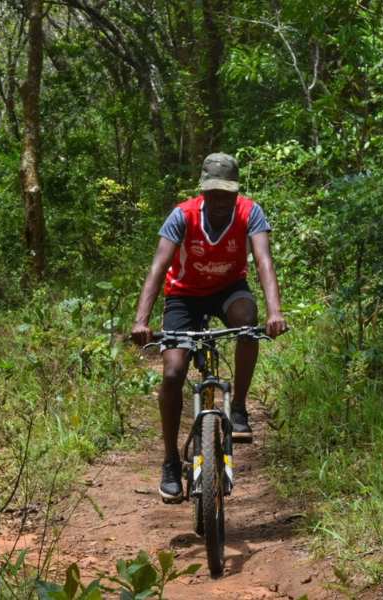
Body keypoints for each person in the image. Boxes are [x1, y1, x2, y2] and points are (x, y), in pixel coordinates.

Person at [131, 153, 287, 503]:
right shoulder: (182, 216)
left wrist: (275, 313)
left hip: (229, 292)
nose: (219, 202)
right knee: (172, 373)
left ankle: (240, 408)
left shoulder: (250, 212)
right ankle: (171, 460)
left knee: (247, 323)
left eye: (226, 194)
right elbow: (159, 266)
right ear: (203, 191)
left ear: (236, 193)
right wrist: (141, 319)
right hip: (184, 296)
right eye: (213, 194)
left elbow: (264, 261)